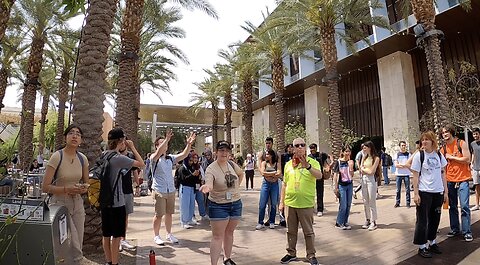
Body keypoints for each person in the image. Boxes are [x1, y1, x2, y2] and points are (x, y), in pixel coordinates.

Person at [42, 125, 89, 263]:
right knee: (68, 244)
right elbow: (45, 187)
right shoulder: (57, 156)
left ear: (81, 139)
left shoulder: (82, 159)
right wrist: (66, 189)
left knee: (78, 242)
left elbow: (87, 184)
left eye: (78, 134)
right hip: (59, 203)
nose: (75, 136)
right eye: (71, 133)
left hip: (77, 203)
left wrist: (82, 189)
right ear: (65, 137)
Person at [100, 128, 144, 265]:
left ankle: (108, 261)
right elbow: (141, 164)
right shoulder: (118, 158)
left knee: (106, 234)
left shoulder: (103, 155)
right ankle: (114, 262)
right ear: (121, 141)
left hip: (104, 201)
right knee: (117, 236)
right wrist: (133, 147)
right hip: (117, 202)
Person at [199, 140, 244, 265]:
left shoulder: (232, 164)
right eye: (221, 150)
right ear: (216, 152)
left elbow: (241, 174)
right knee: (217, 236)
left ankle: (227, 258)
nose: (224, 153)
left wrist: (236, 189)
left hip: (235, 203)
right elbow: (209, 183)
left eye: (226, 150)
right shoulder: (211, 169)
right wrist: (207, 188)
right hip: (218, 205)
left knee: (229, 232)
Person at [279, 138, 322, 265]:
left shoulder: (313, 162)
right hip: (290, 203)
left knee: (308, 231)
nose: (299, 147)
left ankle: (311, 254)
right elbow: (284, 184)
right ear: (292, 148)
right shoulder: (288, 165)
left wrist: (307, 167)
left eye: (302, 145)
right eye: (296, 145)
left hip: (305, 203)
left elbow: (319, 176)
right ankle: (291, 253)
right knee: (291, 231)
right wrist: (281, 202)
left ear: (305, 148)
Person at [151, 129, 196, 245]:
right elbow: (158, 153)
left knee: (169, 214)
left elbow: (184, 155)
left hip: (170, 190)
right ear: (156, 146)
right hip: (159, 190)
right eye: (161, 143)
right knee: (159, 214)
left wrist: (189, 144)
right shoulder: (154, 159)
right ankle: (156, 236)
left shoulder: (170, 158)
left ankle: (169, 234)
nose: (164, 145)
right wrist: (166, 139)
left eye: (165, 143)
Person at [411, 131, 448, 258]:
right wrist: (416, 194)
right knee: (422, 221)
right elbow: (415, 175)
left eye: (427, 139)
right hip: (424, 192)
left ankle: (432, 242)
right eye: (423, 140)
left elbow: (443, 173)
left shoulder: (438, 155)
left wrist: (445, 192)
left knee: (435, 219)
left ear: (433, 141)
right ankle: (422, 246)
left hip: (437, 192)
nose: (424, 142)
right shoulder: (419, 156)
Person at [441, 124, 473, 242]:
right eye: (443, 132)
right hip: (450, 180)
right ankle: (455, 229)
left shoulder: (461, 143)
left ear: (451, 132)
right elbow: (442, 166)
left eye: (447, 132)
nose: (445, 134)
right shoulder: (443, 148)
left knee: (464, 206)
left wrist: (452, 157)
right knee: (452, 207)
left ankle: (467, 232)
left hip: (463, 179)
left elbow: (467, 159)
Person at [118, 147, 140, 251]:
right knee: (117, 216)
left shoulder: (130, 156)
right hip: (116, 192)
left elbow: (135, 171)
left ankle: (123, 239)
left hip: (127, 190)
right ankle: (116, 240)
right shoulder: (114, 156)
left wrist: (137, 186)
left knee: (125, 216)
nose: (122, 143)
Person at [256, 149, 281, 229]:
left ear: (271, 155)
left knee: (274, 203)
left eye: (267, 154)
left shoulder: (277, 164)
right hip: (266, 184)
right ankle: (260, 222)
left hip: (275, 185)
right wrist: (273, 174)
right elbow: (263, 173)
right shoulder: (264, 163)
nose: (265, 156)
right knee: (262, 204)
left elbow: (279, 173)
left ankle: (272, 221)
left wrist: (269, 175)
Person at [360, 141, 381, 231]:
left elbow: (372, 171)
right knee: (365, 201)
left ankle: (374, 221)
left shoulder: (376, 158)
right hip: (363, 179)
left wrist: (365, 170)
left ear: (370, 147)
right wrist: (365, 170)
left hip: (371, 180)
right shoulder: (364, 157)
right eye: (363, 147)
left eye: (365, 147)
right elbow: (360, 168)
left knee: (372, 201)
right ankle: (367, 219)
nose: (364, 149)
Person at [178, 152, 202, 228]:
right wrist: (192, 175)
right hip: (185, 188)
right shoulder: (182, 168)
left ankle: (190, 219)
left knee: (191, 205)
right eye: (190, 160)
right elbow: (183, 179)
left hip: (192, 188)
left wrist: (197, 175)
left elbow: (194, 179)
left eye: (192, 161)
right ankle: (184, 221)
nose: (191, 162)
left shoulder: (192, 167)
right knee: (185, 205)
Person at [333, 146, 354, 230]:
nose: (347, 153)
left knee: (348, 204)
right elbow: (336, 175)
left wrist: (351, 167)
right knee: (343, 205)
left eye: (349, 151)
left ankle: (345, 222)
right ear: (342, 152)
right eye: (346, 151)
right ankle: (339, 222)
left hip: (349, 184)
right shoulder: (338, 162)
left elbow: (352, 174)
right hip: (342, 185)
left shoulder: (350, 162)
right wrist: (335, 187)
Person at [308, 143, 328, 217]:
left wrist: (328, 166)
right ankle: (311, 207)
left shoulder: (321, 155)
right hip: (311, 177)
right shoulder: (308, 157)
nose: (312, 150)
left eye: (313, 148)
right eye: (311, 148)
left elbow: (328, 157)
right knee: (311, 193)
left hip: (320, 177)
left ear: (316, 148)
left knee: (320, 194)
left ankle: (320, 209)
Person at [394, 141, 411, 208]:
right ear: (400, 146)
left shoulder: (408, 154)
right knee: (398, 190)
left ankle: (408, 203)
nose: (404, 147)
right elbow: (396, 165)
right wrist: (403, 165)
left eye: (404, 145)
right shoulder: (397, 154)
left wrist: (403, 165)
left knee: (407, 189)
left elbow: (409, 164)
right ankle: (397, 202)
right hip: (399, 174)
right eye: (402, 145)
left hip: (406, 174)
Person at [470, 128, 480, 211]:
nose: (475, 135)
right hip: (476, 168)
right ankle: (477, 204)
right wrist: (471, 163)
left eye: (476, 134)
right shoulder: (472, 144)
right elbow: (473, 153)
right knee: (477, 187)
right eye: (474, 134)